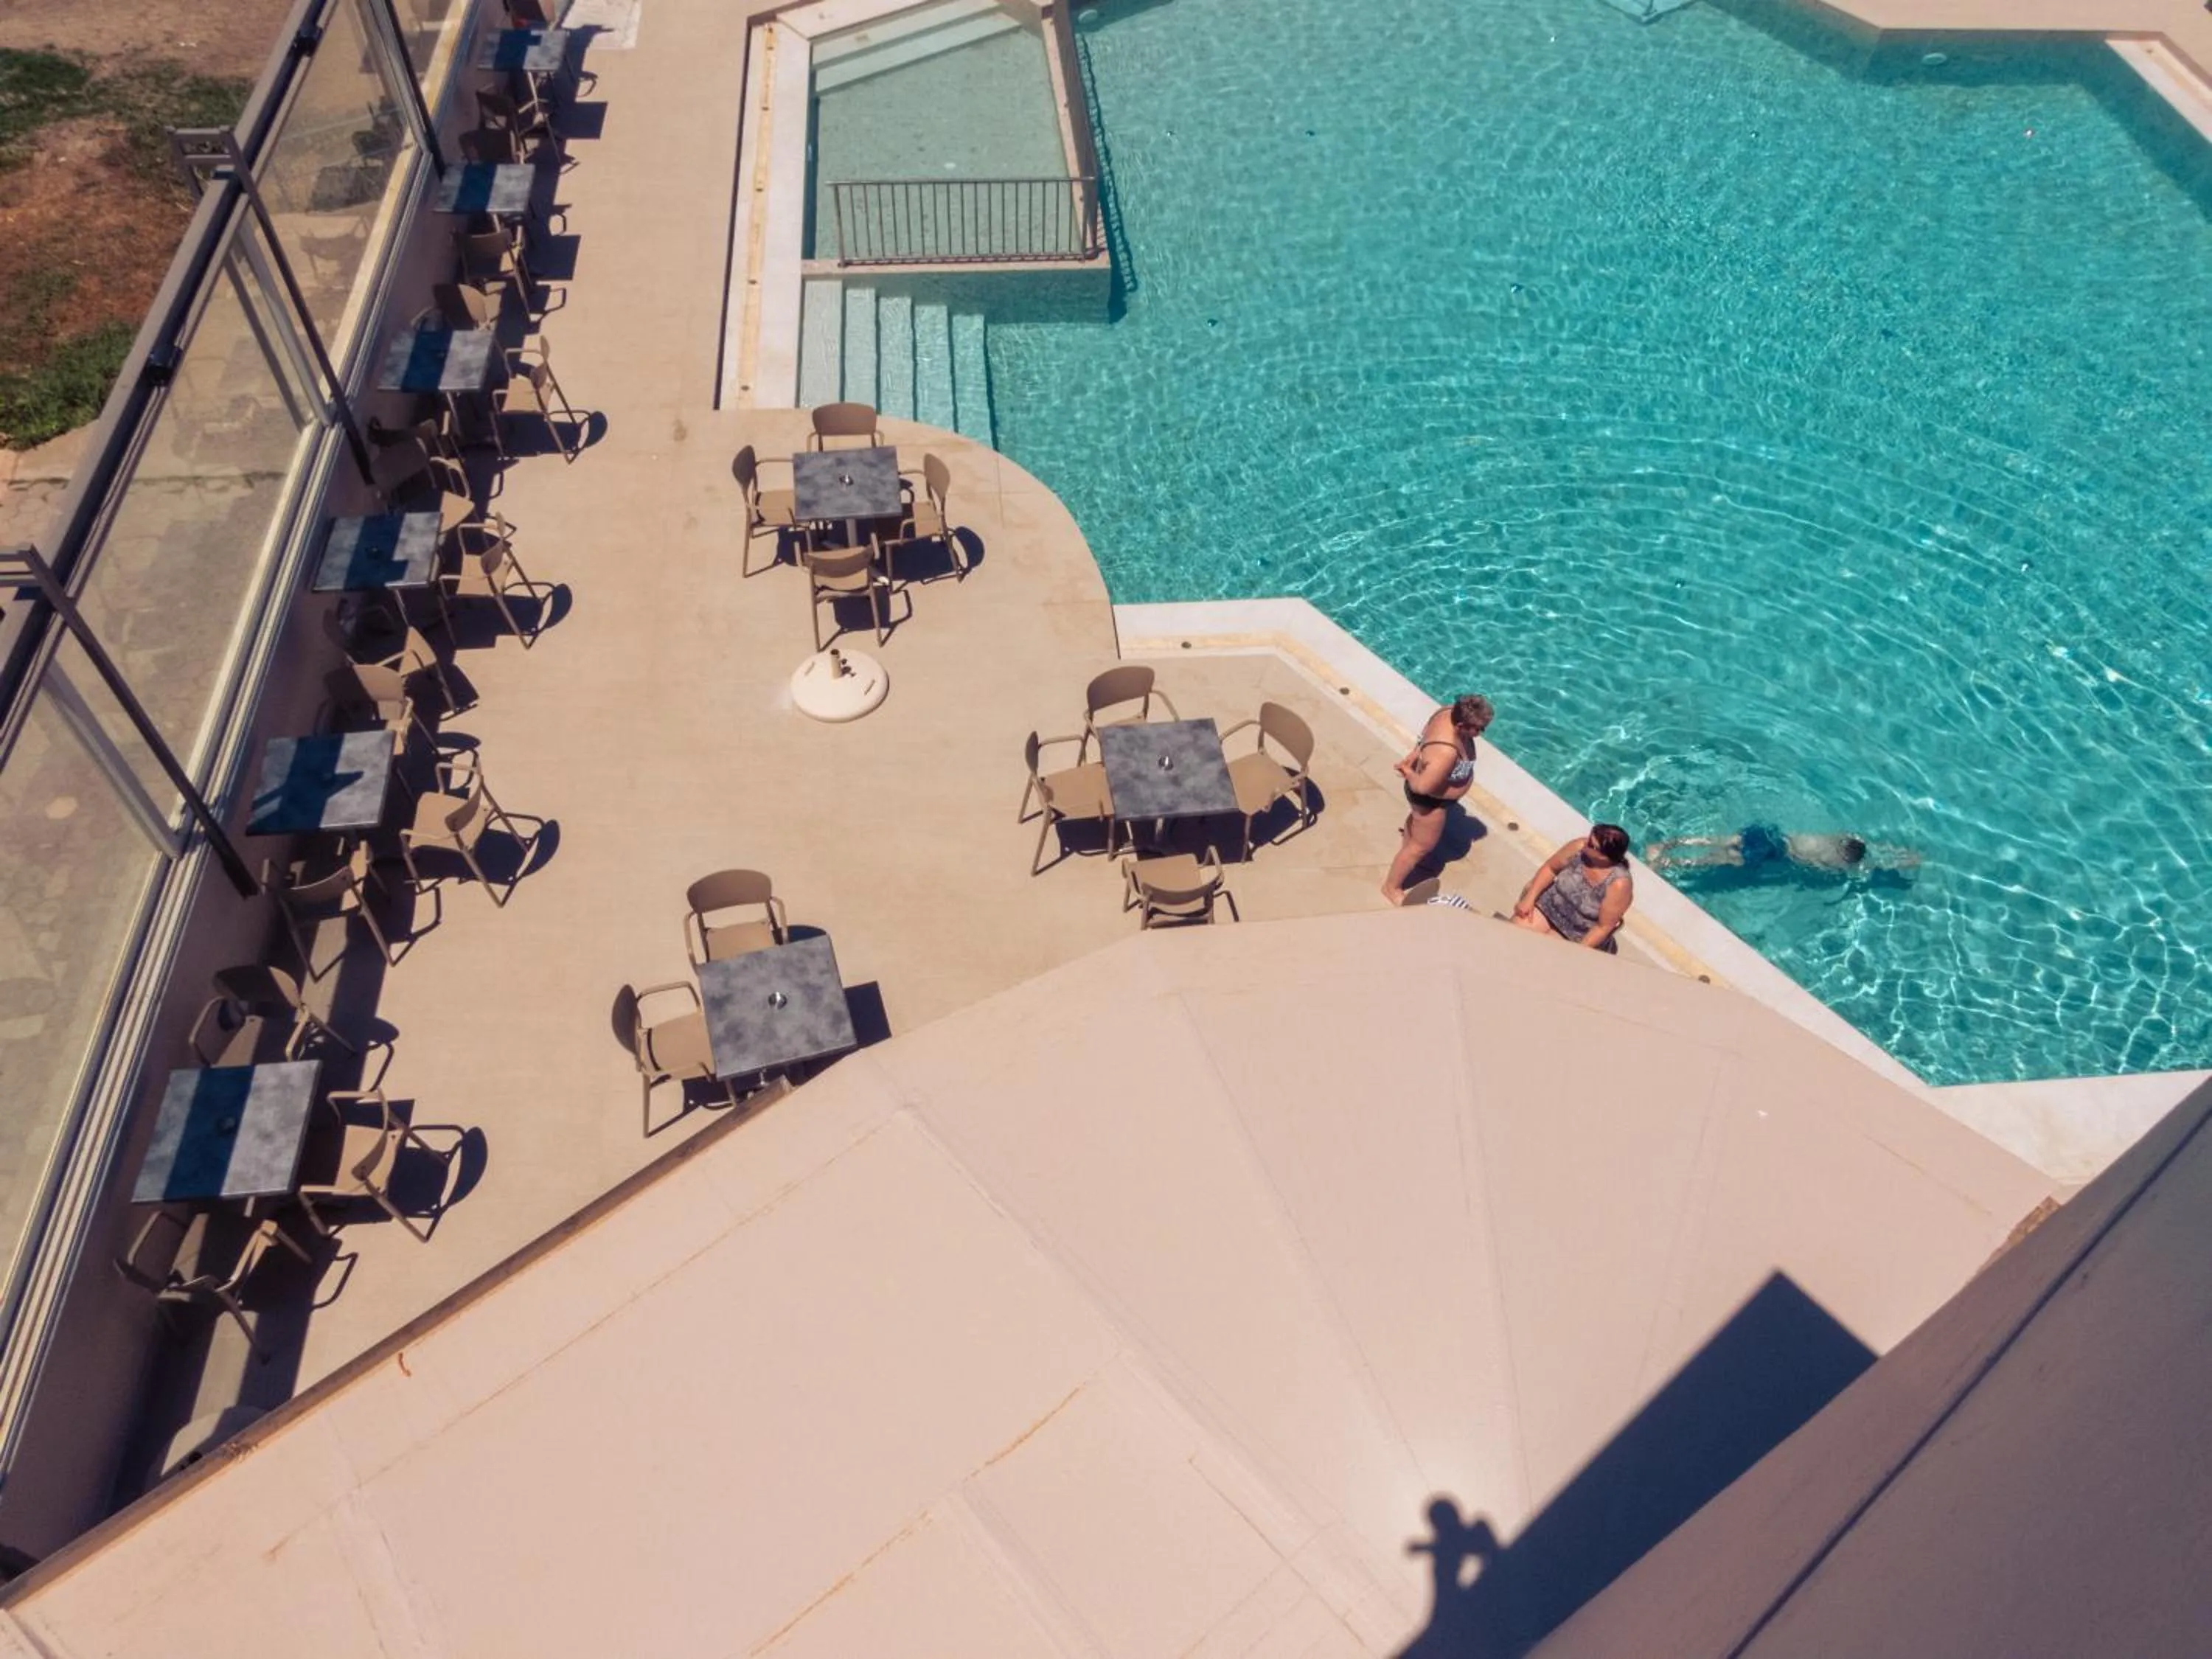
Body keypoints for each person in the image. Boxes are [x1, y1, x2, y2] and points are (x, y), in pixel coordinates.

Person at [1382, 695, 1495, 905]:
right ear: (1461, 725)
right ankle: (1391, 887)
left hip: (1426, 799)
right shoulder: (1446, 752)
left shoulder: (1447, 712)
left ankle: (1406, 857)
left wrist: (1415, 755)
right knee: (1420, 847)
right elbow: (1421, 787)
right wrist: (1408, 770)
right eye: (1478, 729)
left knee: (1415, 831)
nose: (1480, 734)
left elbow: (1424, 737)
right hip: (1430, 803)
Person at [1512, 823, 1633, 952]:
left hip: (1575, 933)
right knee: (1512, 935)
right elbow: (1551, 868)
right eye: (1589, 838)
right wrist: (1529, 899)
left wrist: (1578, 951)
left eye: (1592, 845)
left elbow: (1603, 926)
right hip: (1548, 908)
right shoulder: (1578, 848)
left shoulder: (1618, 883)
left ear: (1604, 857)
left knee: (1539, 954)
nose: (1585, 843)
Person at [1644, 826, 1920, 873]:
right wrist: (1902, 861)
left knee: (1720, 840)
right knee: (1720, 860)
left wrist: (1896, 851)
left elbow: (1867, 846)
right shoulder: (1838, 862)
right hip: (1774, 854)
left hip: (1774, 836)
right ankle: (1669, 864)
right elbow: (1812, 866)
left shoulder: (1838, 838)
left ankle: (1667, 846)